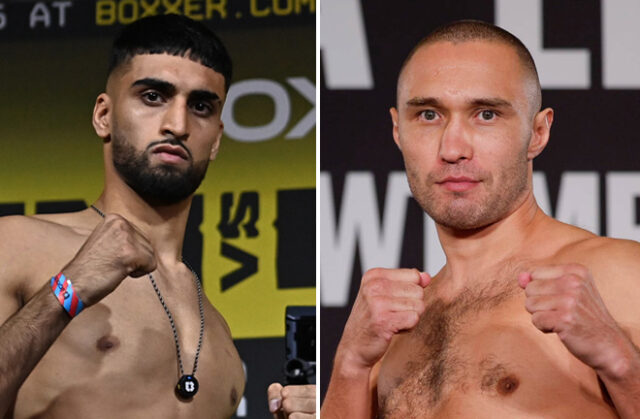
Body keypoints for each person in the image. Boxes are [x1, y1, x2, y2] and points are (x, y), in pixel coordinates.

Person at [0, 14, 316, 419]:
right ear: (104, 116)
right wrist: (67, 290)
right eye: (153, 97)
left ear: (217, 139)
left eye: (200, 106)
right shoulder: (18, 245)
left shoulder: (220, 338)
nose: (178, 124)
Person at [321, 20, 640, 418]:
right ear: (397, 130)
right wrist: (350, 364)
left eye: (486, 114)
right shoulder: (391, 332)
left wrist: (621, 363)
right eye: (428, 115)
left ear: (538, 132)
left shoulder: (619, 275)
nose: (453, 148)